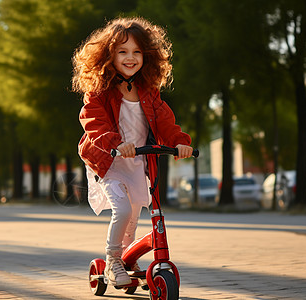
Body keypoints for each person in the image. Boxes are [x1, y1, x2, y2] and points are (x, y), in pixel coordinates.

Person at [72, 17, 193, 286]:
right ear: (109, 56)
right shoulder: (99, 92)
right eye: (122, 52)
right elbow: (93, 121)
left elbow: (165, 121)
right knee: (123, 211)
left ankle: (128, 257)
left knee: (134, 215)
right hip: (109, 162)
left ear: (146, 56)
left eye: (137, 52)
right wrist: (114, 142)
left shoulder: (148, 91)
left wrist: (180, 142)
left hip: (138, 162)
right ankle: (113, 260)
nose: (130, 58)